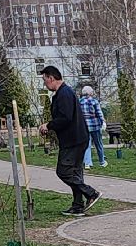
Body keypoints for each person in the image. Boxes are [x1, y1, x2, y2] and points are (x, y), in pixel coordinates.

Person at [40, 65, 100, 216]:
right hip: (77, 138)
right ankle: (77, 205)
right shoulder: (64, 92)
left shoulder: (64, 94)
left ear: (51, 78)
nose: (44, 84)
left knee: (64, 171)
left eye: (45, 80)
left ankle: (91, 193)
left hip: (73, 140)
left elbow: (65, 118)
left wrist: (49, 125)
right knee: (75, 173)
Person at [79, 85, 107, 168]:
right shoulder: (94, 101)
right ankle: (102, 161)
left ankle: (87, 163)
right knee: (98, 144)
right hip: (95, 125)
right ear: (90, 93)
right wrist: (103, 121)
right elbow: (99, 113)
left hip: (84, 126)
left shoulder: (79, 102)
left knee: (87, 145)